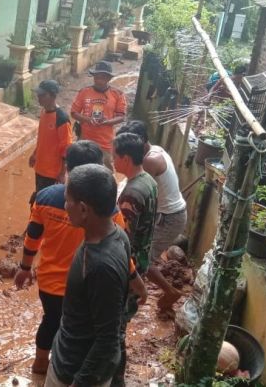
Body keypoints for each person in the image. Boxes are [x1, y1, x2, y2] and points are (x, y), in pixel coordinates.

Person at [16, 140, 144, 375]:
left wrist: (25, 267)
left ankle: (40, 365)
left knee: (51, 320)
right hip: (86, 288)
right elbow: (122, 251)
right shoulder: (109, 212)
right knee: (78, 331)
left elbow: (33, 236)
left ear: (68, 168)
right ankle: (72, 371)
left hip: (50, 283)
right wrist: (136, 282)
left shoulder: (44, 198)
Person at [45, 164, 131, 387]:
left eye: (67, 200)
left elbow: (107, 340)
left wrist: (80, 383)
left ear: (83, 209)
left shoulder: (100, 267)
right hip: (68, 355)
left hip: (73, 372)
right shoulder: (118, 235)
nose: (65, 206)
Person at [117, 121, 187, 314]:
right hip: (168, 213)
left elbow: (132, 186)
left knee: (142, 260)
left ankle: (169, 292)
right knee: (144, 257)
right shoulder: (154, 151)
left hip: (169, 218)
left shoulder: (149, 161)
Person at [111, 133, 158, 387]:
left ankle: (115, 378)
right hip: (142, 257)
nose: (112, 159)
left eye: (114, 155)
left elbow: (121, 238)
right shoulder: (148, 180)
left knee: (116, 329)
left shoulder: (131, 194)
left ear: (126, 158)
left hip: (130, 266)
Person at [70, 61, 127, 171]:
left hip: (105, 143)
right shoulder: (84, 92)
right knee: (80, 170)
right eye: (97, 77)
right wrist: (87, 119)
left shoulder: (117, 94)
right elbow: (74, 113)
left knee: (105, 172)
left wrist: (108, 122)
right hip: (85, 140)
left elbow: (121, 116)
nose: (99, 80)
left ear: (108, 79)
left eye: (102, 77)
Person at [28, 80, 73, 204]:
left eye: (43, 95)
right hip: (40, 167)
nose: (39, 98)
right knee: (39, 198)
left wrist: (62, 173)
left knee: (45, 202)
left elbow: (66, 148)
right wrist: (34, 154)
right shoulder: (43, 112)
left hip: (52, 172)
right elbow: (43, 138)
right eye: (38, 95)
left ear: (53, 96)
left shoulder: (61, 119)